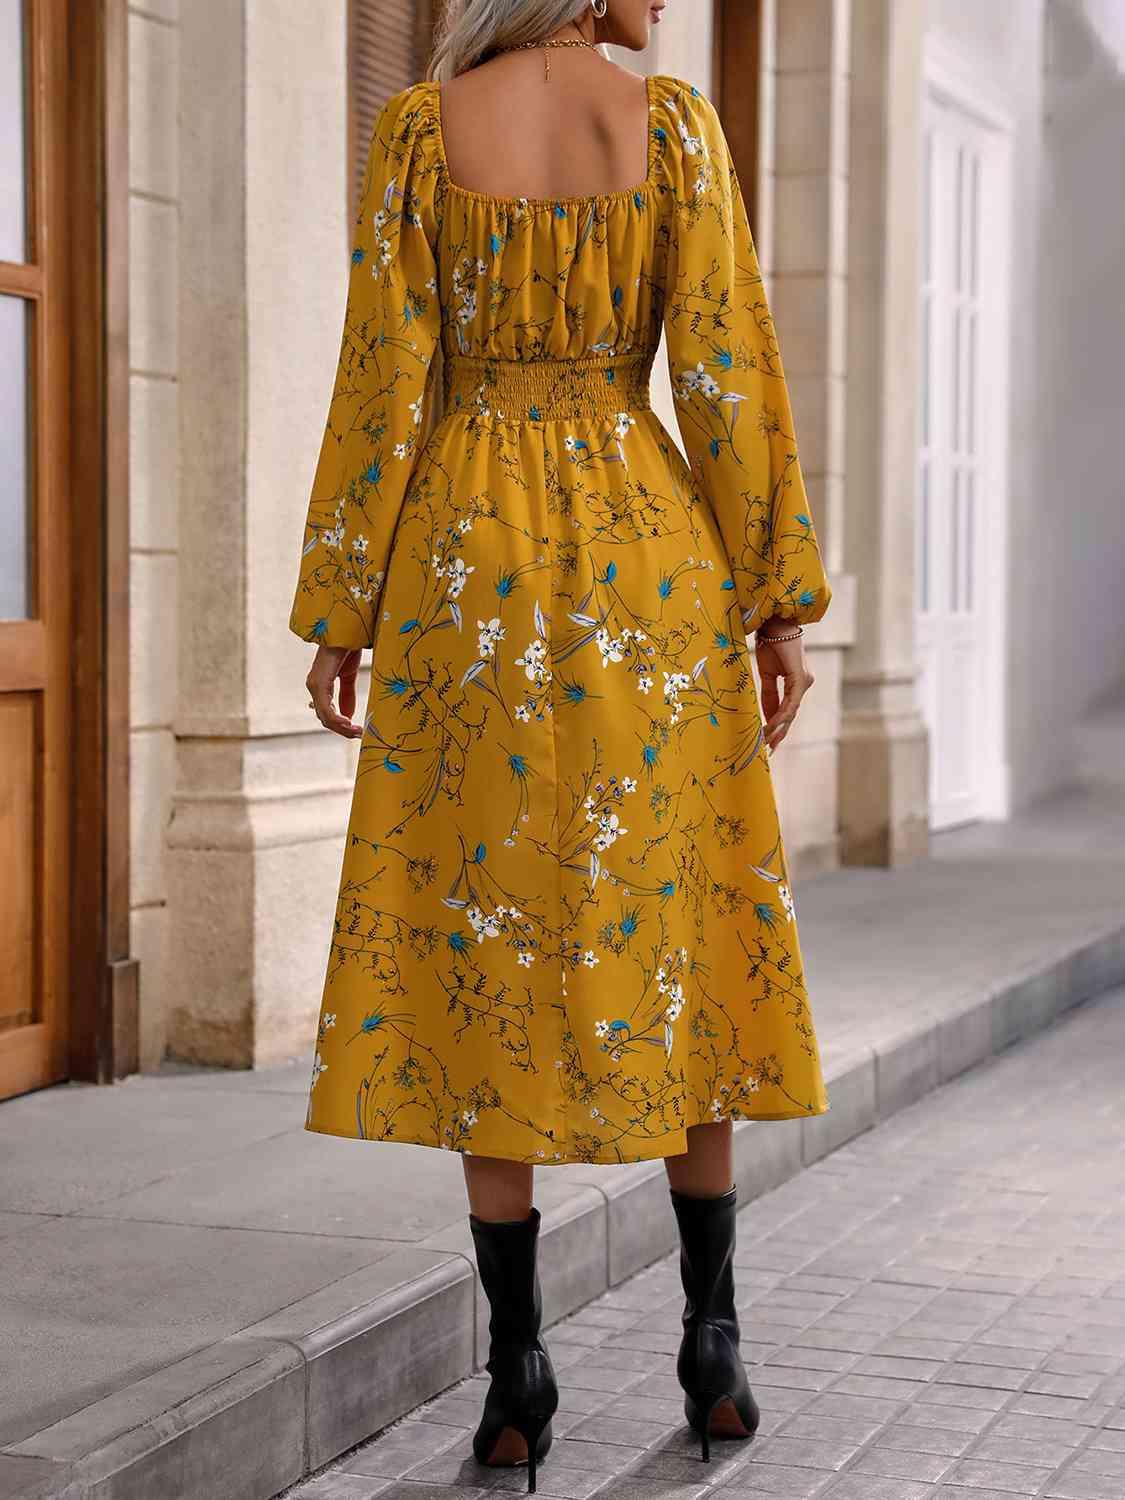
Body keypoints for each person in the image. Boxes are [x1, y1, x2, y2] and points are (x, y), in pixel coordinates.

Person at [288, 0, 833, 1490]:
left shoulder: (420, 131)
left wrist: (343, 602)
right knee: (686, 923)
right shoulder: (664, 129)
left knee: (483, 938)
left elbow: (381, 376)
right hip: (644, 555)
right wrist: (776, 603)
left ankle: (516, 1373)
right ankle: (710, 1338)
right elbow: (721, 370)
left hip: (465, 557)